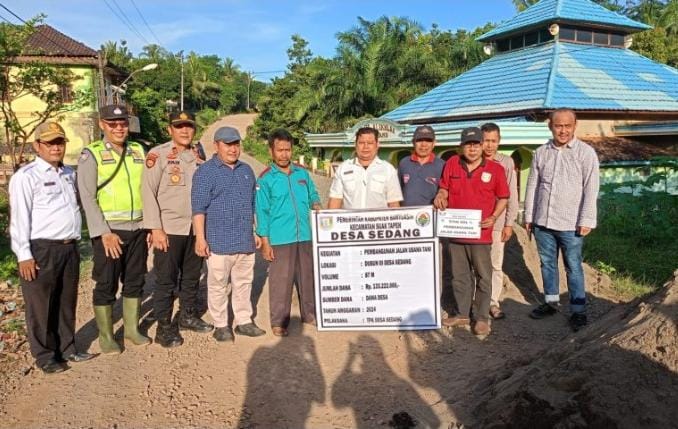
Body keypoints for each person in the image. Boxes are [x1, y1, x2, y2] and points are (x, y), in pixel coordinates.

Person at [9, 122, 96, 374]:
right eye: (50, 143)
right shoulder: (26, 177)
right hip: (41, 249)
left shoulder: (69, 173)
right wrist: (24, 254)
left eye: (59, 142)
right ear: (38, 146)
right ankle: (45, 355)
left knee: (66, 301)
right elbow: (19, 219)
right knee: (41, 305)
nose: (56, 147)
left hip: (69, 248)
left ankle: (67, 347)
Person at [77, 105, 150, 354]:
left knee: (135, 281)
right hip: (110, 232)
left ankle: (131, 329)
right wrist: (103, 232)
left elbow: (148, 191)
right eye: (112, 124)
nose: (118, 128)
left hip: (138, 228)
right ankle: (106, 335)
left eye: (122, 123)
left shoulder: (139, 150)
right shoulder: (92, 154)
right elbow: (87, 197)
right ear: (102, 125)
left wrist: (150, 225)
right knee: (107, 284)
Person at [142, 111, 213, 348]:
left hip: (195, 229)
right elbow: (148, 193)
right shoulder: (158, 155)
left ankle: (187, 316)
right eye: (179, 126)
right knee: (166, 280)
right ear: (169, 130)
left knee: (192, 276)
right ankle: (164, 327)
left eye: (189, 126)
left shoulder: (199, 155)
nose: (184, 130)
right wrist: (155, 228)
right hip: (169, 230)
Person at [524, 108, 599, 332]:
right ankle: (551, 302)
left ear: (575, 126)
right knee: (547, 264)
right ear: (550, 126)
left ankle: (578, 310)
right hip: (543, 222)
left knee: (573, 266)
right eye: (558, 126)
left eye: (567, 126)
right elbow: (532, 187)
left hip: (571, 224)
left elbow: (591, 188)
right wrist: (529, 216)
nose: (563, 130)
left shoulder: (586, 153)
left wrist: (586, 219)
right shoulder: (541, 153)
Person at [192, 126, 266, 342]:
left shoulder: (246, 170)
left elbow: (252, 204)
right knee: (218, 285)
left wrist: (255, 231)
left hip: (244, 240)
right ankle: (221, 325)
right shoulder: (205, 172)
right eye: (228, 144)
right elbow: (198, 208)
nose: (233, 149)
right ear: (216, 146)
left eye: (236, 144)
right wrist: (200, 238)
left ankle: (244, 321)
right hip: (218, 241)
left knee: (244, 283)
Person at [433, 127, 509, 338]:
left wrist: (494, 217)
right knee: (459, 276)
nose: (472, 148)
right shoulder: (452, 164)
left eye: (476, 144)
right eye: (468, 144)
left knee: (484, 276)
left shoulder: (496, 170)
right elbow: (444, 188)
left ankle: (482, 317)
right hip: (456, 233)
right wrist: (441, 194)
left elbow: (504, 197)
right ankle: (462, 313)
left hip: (480, 234)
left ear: (483, 145)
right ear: (461, 146)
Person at [255, 129, 322, 337]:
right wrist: (265, 241)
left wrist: (318, 206)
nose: (284, 154)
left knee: (307, 277)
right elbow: (262, 211)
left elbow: (313, 195)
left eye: (288, 150)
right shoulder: (266, 179)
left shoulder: (302, 173)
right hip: (280, 237)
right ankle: (279, 321)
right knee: (280, 281)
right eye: (280, 150)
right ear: (271, 151)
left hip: (305, 235)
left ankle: (309, 314)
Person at [480, 123, 519, 320]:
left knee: (495, 265)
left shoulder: (506, 163)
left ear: (499, 141)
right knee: (475, 265)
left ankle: (493, 302)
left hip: (497, 224)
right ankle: (477, 302)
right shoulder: (471, 160)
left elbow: (511, 194)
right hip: (474, 225)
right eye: (486, 140)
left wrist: (509, 223)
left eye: (493, 141)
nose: (489, 145)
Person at [328, 127, 403, 209]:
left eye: (370, 143)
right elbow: (335, 201)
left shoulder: (388, 170)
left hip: (378, 221)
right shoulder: (343, 168)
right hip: (351, 221)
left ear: (377, 145)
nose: (365, 147)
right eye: (361, 143)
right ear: (355, 144)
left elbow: (394, 204)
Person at [397, 125, 445, 206]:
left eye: (428, 140)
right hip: (406, 215)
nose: (423, 144)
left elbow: (445, 191)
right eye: (419, 140)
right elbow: (397, 191)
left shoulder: (442, 165)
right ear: (413, 142)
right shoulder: (404, 163)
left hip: (431, 215)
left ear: (434, 143)